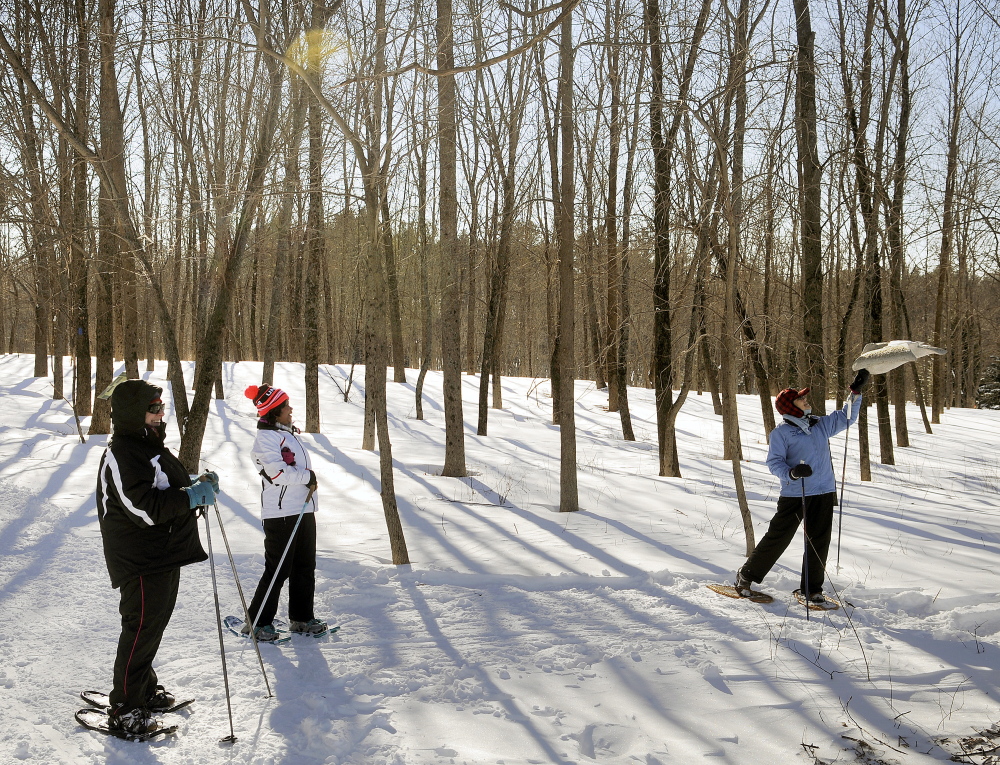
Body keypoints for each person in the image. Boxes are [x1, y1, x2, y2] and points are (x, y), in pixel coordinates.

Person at [96, 379, 218, 735]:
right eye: (153, 408)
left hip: (162, 553)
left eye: (161, 407)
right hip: (140, 558)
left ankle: (144, 691)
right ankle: (125, 706)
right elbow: (143, 509)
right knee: (140, 629)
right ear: (134, 412)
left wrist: (196, 483)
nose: (160, 413)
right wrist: (192, 497)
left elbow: (163, 486)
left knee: (152, 627)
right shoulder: (122, 452)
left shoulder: (148, 446)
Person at [734, 369, 870, 602]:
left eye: (805, 397)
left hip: (824, 492)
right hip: (795, 493)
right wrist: (792, 473)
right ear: (791, 407)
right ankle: (746, 576)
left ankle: (812, 589)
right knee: (779, 537)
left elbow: (846, 417)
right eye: (801, 399)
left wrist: (855, 392)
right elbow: (774, 462)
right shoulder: (781, 433)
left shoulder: (820, 424)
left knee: (819, 541)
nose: (807, 401)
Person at [242, 384, 326, 641]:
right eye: (286, 405)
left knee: (304, 566)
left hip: (303, 508)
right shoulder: (266, 438)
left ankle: (301, 618)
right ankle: (257, 623)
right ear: (275, 411)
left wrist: (306, 481)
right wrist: (307, 476)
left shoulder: (287, 434)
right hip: (280, 513)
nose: (291, 409)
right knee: (278, 568)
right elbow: (276, 474)